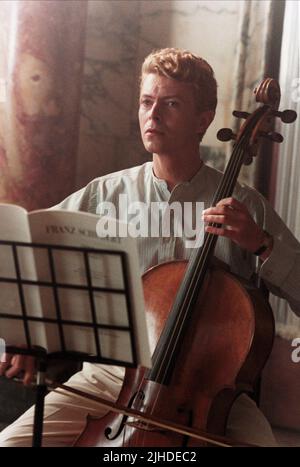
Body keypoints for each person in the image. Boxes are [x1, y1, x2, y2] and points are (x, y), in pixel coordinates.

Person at [0, 48, 300, 447]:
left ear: (204, 119)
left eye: (171, 104)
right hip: (109, 378)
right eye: (146, 102)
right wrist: (23, 336)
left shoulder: (246, 206)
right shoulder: (104, 195)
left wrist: (261, 244)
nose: (153, 115)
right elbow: (26, 254)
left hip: (211, 392)